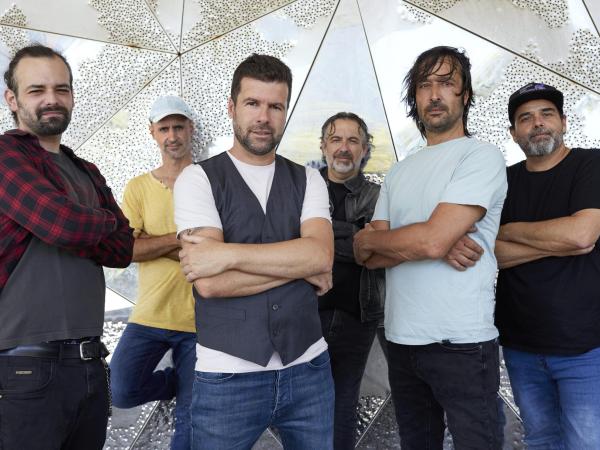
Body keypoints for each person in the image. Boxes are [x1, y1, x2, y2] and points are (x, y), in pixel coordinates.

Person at [173, 53, 335, 449]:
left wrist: (226, 254)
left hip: (309, 368)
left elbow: (320, 257)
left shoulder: (309, 179)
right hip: (227, 376)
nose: (264, 117)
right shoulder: (197, 179)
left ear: (285, 112)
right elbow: (210, 284)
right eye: (253, 103)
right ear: (232, 107)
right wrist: (299, 266)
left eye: (275, 106)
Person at [353, 46, 507, 449]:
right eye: (424, 85)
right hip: (402, 341)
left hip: (462, 344)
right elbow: (366, 256)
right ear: (415, 97)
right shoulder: (400, 171)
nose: (434, 94)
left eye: (446, 83)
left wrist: (418, 240)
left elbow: (426, 239)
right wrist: (427, 241)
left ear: (465, 95)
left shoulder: (482, 157)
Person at [0, 44, 133, 449]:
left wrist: (83, 224)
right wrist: (103, 221)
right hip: (25, 366)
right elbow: (65, 226)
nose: (51, 99)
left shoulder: (84, 169)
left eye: (61, 89)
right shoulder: (5, 156)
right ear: (12, 99)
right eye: (36, 90)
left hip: (89, 363)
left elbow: (122, 249)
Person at [494, 82, 600, 450]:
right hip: (521, 345)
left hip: (585, 347)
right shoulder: (503, 181)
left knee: (586, 443)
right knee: (540, 441)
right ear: (513, 133)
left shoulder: (591, 164)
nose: (537, 123)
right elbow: (491, 254)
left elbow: (582, 235)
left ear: (564, 122)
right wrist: (559, 243)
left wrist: (510, 230)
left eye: (546, 114)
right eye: (525, 118)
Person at [110, 96, 197, 449]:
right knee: (121, 387)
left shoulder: (210, 182)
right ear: (152, 133)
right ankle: (179, 383)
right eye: (164, 129)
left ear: (190, 129)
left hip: (200, 323)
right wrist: (181, 239)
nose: (172, 136)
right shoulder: (138, 188)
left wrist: (151, 240)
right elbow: (127, 249)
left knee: (189, 426)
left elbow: (217, 249)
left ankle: (191, 387)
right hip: (150, 315)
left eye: (178, 127)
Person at [318, 111, 385, 449]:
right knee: (301, 406)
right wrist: (355, 232)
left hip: (357, 317)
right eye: (336, 139)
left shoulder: (378, 196)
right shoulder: (303, 189)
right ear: (323, 146)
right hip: (303, 315)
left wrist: (320, 233)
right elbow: (289, 240)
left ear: (364, 149)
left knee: (343, 405)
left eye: (353, 140)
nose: (344, 148)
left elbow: (373, 250)